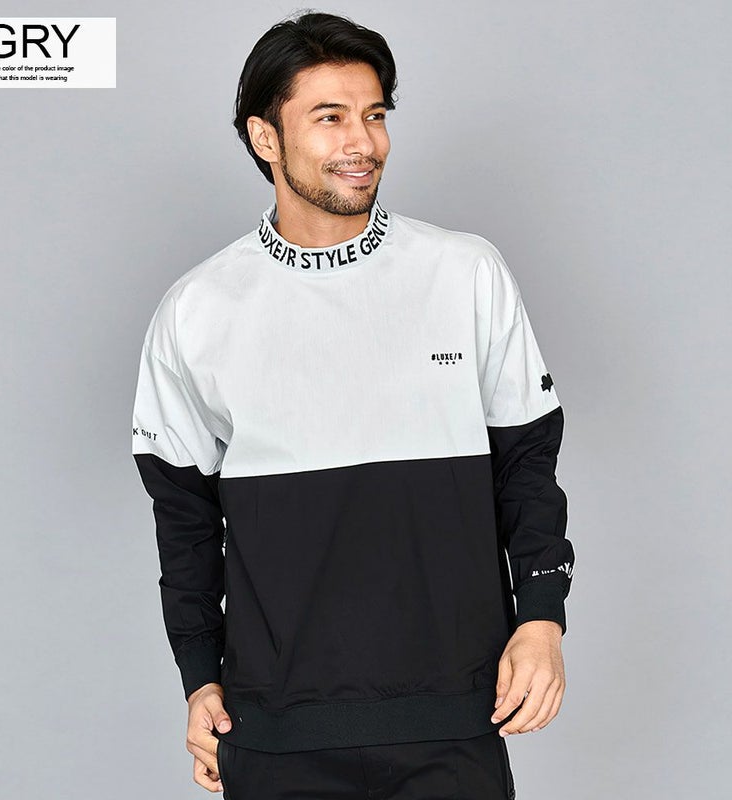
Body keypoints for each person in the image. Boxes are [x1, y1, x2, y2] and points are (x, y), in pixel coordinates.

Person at [131, 10, 575, 799]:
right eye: (330, 117)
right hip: (274, 731)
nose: (363, 143)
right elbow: (185, 523)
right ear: (266, 137)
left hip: (454, 722)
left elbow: (528, 466)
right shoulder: (197, 310)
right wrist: (200, 680)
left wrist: (541, 617)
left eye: (374, 115)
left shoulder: (465, 273)